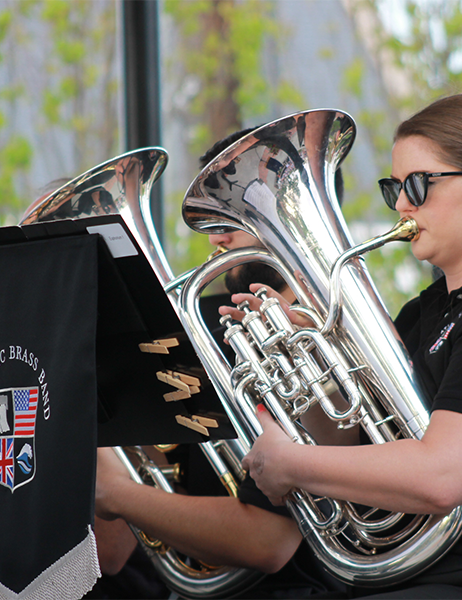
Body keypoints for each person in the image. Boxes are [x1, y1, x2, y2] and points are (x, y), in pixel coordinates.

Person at [230, 94, 462, 600]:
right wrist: (313, 359)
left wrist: (292, 465)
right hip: (409, 580)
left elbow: (442, 474)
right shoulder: (426, 312)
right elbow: (354, 441)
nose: (402, 205)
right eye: (394, 188)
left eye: (419, 185)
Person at [93, 127, 347, 599]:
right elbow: (112, 551)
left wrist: (116, 494)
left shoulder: (334, 333)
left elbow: (267, 541)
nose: (215, 238)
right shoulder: (200, 323)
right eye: (211, 220)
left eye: (229, 215)